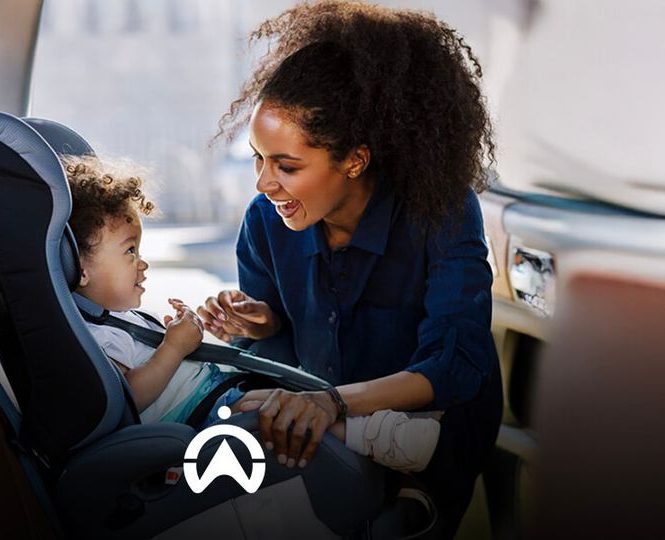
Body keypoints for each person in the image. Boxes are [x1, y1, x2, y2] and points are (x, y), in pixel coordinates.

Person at [198, 2, 503, 536]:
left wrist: (333, 402)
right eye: (257, 158)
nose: (263, 184)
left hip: (423, 445)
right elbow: (278, 354)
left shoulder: (442, 213)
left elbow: (455, 364)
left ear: (355, 160)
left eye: (286, 166)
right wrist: (262, 323)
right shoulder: (264, 222)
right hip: (320, 434)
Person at [65, 154, 443, 472]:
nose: (142, 264)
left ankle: (376, 431)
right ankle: (377, 437)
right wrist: (173, 349)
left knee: (276, 404)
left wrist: (178, 335)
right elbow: (126, 399)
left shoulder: (117, 319)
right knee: (277, 419)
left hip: (216, 397)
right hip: (199, 419)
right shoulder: (93, 337)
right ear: (78, 266)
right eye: (130, 251)